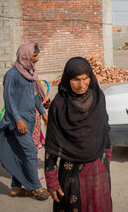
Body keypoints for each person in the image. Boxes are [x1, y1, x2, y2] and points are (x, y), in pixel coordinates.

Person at [44, 57, 112, 212]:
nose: (81, 85)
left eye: (85, 79)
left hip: (98, 167)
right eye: (76, 80)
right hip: (72, 172)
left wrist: (107, 157)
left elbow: (105, 129)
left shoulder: (98, 98)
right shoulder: (59, 105)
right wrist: (52, 180)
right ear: (68, 79)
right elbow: (52, 144)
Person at [0, 43, 50, 200]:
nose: (36, 59)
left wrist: (43, 113)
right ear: (25, 55)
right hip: (18, 121)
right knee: (31, 151)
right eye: (34, 56)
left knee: (21, 152)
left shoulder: (29, 73)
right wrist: (18, 120)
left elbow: (34, 96)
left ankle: (16, 187)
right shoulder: (12, 75)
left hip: (30, 119)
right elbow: (8, 99)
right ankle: (36, 188)